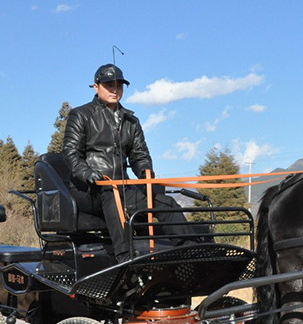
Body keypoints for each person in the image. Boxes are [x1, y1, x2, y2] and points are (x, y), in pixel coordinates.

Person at [62, 63, 200, 262]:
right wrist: (87, 173)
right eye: (108, 84)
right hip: (88, 189)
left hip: (122, 185)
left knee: (163, 200)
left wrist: (146, 172)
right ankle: (125, 258)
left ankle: (192, 250)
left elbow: (139, 154)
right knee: (111, 194)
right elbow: (71, 153)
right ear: (95, 86)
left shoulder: (131, 120)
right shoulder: (81, 115)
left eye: (119, 85)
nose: (114, 90)